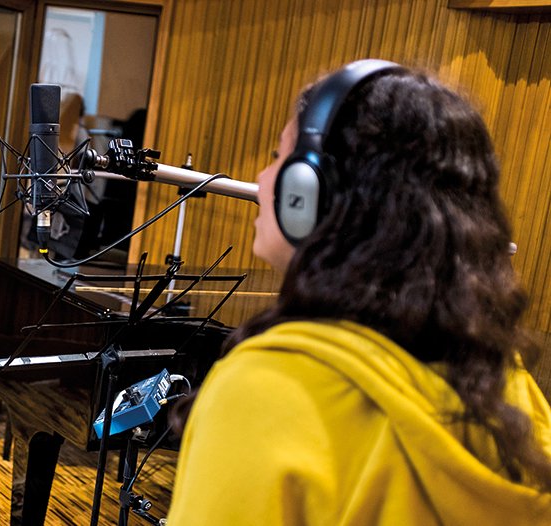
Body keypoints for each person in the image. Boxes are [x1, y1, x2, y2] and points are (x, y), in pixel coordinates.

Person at [167, 60, 551, 524]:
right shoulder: (508, 388)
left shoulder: (271, 390)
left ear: (310, 193)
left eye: (276, 157)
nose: (263, 180)